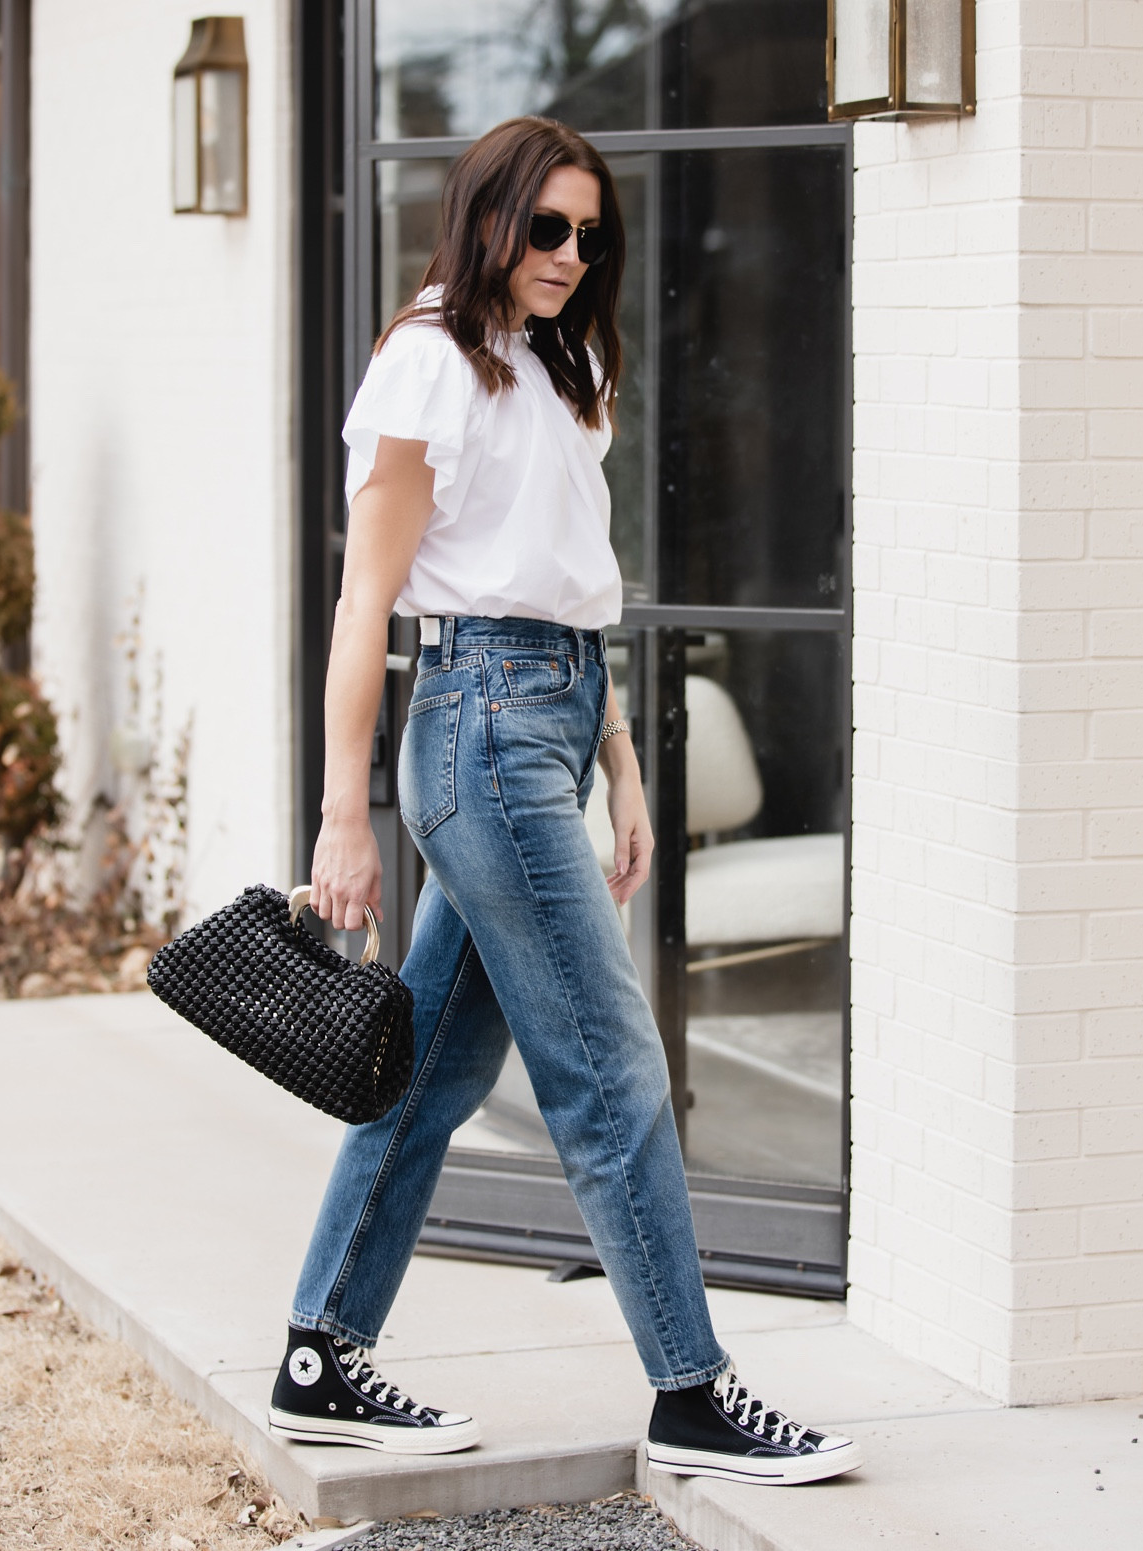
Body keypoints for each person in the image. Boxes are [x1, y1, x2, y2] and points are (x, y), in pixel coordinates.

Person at [266, 116, 861, 1488]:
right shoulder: (427, 360)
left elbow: (566, 588)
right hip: (474, 733)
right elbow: (370, 598)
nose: (569, 256)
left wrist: (625, 765)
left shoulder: (561, 361)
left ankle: (319, 1351)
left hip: (546, 717)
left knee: (436, 1071)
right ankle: (691, 1389)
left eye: (590, 236)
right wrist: (341, 811)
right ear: (488, 217)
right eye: (546, 230)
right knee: (612, 1070)